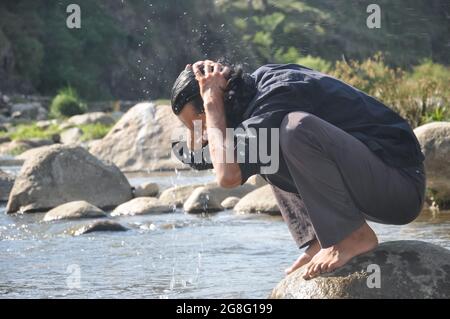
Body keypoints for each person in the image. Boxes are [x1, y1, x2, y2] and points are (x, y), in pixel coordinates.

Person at [170, 60, 426, 280]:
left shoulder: (274, 96)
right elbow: (220, 152)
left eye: (199, 125)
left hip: (399, 187)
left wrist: (212, 104)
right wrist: (191, 148)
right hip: (373, 183)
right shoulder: (251, 100)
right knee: (263, 148)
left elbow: (227, 176)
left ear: (218, 98)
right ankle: (319, 240)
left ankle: (353, 236)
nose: (202, 136)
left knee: (295, 129)